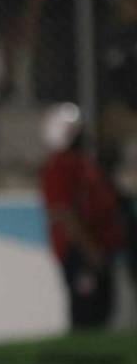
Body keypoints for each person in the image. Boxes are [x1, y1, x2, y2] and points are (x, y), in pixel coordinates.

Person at [39, 104, 126, 329]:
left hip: (97, 246)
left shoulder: (82, 165)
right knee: (87, 312)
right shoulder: (60, 167)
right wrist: (91, 250)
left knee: (103, 310)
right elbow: (65, 214)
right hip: (81, 251)